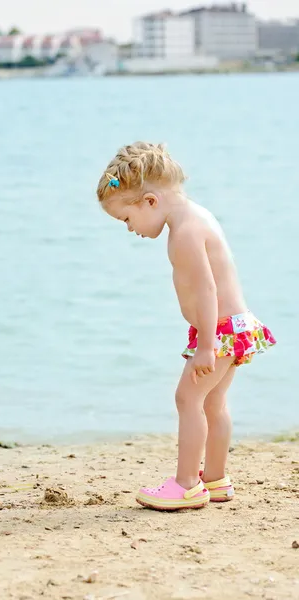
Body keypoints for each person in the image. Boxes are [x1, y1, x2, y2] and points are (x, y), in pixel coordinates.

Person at [96, 142, 276, 511]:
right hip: (236, 326)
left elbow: (208, 288)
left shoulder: (184, 234)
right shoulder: (196, 216)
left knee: (187, 398)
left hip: (220, 331)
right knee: (213, 401)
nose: (129, 229)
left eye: (126, 220)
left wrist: (207, 346)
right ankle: (216, 478)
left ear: (149, 201)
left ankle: (187, 484)